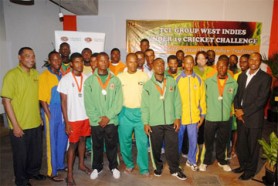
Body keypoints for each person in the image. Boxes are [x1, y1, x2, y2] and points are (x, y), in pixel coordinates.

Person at [1, 47, 46, 186]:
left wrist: (39, 116)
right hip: (20, 125)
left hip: (35, 122)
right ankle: (21, 180)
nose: (31, 59)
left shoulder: (35, 74)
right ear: (19, 57)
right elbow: (6, 101)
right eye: (27, 56)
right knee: (21, 156)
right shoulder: (11, 75)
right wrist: (15, 125)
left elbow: (35, 99)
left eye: (33, 56)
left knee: (36, 152)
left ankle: (33, 172)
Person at [141, 58, 186, 180]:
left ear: (164, 66)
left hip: (170, 121)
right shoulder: (148, 85)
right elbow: (144, 106)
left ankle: (175, 169)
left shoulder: (171, 82)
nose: (160, 67)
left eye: (162, 64)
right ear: (153, 67)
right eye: (157, 65)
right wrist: (146, 122)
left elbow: (177, 101)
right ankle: (158, 166)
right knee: (155, 147)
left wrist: (177, 117)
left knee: (172, 146)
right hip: (154, 122)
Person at [84, 52, 123, 180]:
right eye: (101, 61)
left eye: (106, 61)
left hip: (111, 120)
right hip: (96, 121)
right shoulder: (89, 81)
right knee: (97, 145)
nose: (103, 63)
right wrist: (97, 118)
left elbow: (118, 101)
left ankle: (114, 167)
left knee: (112, 145)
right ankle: (97, 167)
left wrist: (108, 117)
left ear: (109, 62)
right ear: (96, 62)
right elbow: (88, 102)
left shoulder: (115, 80)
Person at [233, 52, 272, 180]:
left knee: (253, 146)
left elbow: (261, 100)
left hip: (254, 118)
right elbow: (237, 95)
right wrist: (237, 110)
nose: (254, 62)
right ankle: (243, 165)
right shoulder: (242, 76)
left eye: (257, 60)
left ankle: (250, 171)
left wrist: (243, 112)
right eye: (252, 59)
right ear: (248, 61)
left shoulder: (265, 78)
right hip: (240, 117)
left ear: (260, 62)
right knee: (241, 145)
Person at [57, 52, 91, 185]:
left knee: (83, 140)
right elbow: (63, 103)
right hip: (73, 119)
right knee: (73, 145)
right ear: (71, 63)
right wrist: (66, 122)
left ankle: (81, 164)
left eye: (81, 61)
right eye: (77, 61)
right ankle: (69, 174)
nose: (80, 64)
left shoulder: (87, 77)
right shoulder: (65, 79)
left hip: (85, 117)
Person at [199, 59, 238, 172]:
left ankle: (222, 161)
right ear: (216, 67)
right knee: (208, 141)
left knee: (223, 141)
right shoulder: (208, 81)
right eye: (219, 66)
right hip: (211, 117)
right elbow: (203, 98)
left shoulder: (233, 83)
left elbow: (234, 99)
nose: (221, 69)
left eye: (224, 66)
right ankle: (206, 161)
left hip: (226, 118)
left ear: (227, 67)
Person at [117, 53, 149, 176]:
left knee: (142, 142)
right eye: (130, 61)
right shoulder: (120, 77)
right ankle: (129, 164)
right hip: (125, 113)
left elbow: (148, 96)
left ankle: (144, 167)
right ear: (126, 62)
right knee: (125, 141)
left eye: (135, 61)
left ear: (138, 62)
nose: (133, 64)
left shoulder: (144, 76)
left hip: (140, 113)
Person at [39, 51, 68, 182]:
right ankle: (52, 171)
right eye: (54, 60)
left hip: (62, 110)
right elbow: (42, 100)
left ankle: (60, 165)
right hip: (51, 110)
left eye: (58, 59)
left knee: (62, 139)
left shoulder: (62, 75)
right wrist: (49, 116)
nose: (57, 62)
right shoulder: (44, 75)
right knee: (52, 141)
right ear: (49, 61)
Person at [176, 55, 206, 171]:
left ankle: (191, 160)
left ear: (193, 64)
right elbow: (174, 99)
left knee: (193, 141)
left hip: (194, 117)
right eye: (186, 63)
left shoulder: (198, 79)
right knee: (178, 141)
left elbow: (202, 98)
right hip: (180, 117)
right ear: (183, 64)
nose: (188, 65)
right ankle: (176, 162)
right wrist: (175, 116)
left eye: (191, 63)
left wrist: (202, 115)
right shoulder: (178, 79)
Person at [230, 54, 250, 158]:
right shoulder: (236, 76)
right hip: (236, 108)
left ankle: (242, 150)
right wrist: (236, 109)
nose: (242, 64)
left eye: (245, 61)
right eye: (241, 62)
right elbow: (234, 93)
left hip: (248, 110)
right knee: (236, 130)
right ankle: (233, 148)